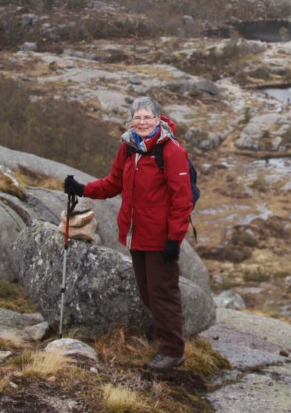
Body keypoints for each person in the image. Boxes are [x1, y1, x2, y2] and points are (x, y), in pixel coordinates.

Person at [63, 96, 194, 371]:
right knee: (148, 293)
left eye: (147, 117)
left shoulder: (171, 151)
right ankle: (165, 339)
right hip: (136, 235)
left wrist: (174, 239)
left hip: (160, 238)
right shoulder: (129, 148)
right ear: (131, 120)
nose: (142, 122)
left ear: (158, 120)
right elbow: (113, 184)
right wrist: (83, 189)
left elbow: (182, 200)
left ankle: (173, 351)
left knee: (163, 293)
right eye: (137, 117)